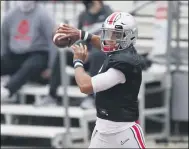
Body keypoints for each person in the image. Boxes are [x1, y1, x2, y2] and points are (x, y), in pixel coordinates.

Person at [55, 12, 146, 148]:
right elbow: (104, 44)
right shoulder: (121, 51)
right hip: (102, 131)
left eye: (115, 35)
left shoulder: (124, 65)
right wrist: (81, 34)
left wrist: (78, 62)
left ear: (129, 36)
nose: (109, 39)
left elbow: (85, 86)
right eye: (108, 33)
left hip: (123, 133)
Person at [35, 0, 113, 107]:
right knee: (62, 54)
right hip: (87, 56)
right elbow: (79, 38)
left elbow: (110, 42)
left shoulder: (109, 15)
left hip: (103, 57)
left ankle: (92, 97)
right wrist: (80, 50)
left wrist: (91, 52)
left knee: (97, 55)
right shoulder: (83, 15)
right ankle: (52, 96)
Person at [1, 1, 57, 102]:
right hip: (16, 54)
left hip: (38, 53)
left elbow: (53, 40)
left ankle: (7, 90)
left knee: (30, 65)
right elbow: (4, 38)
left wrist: (51, 67)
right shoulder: (10, 15)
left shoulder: (43, 14)